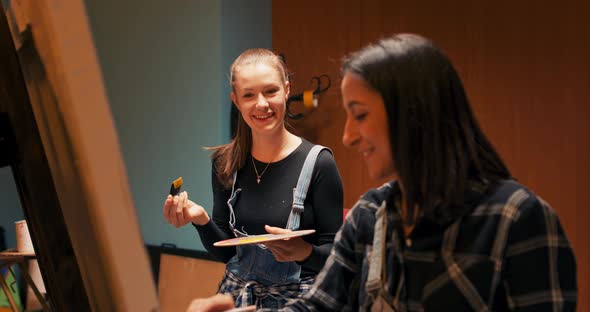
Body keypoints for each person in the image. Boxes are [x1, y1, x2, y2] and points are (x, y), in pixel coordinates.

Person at [187, 33, 577, 311]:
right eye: (249, 95)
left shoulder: (517, 219)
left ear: (414, 114)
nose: (348, 136)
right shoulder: (371, 216)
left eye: (360, 115)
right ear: (236, 101)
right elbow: (318, 305)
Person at [163, 48, 344, 309]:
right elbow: (228, 254)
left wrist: (304, 252)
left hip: (299, 302)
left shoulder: (319, 163)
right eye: (249, 95)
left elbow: (339, 260)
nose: (261, 104)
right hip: (236, 297)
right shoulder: (225, 163)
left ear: (286, 90)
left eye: (270, 91)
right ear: (236, 101)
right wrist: (200, 220)